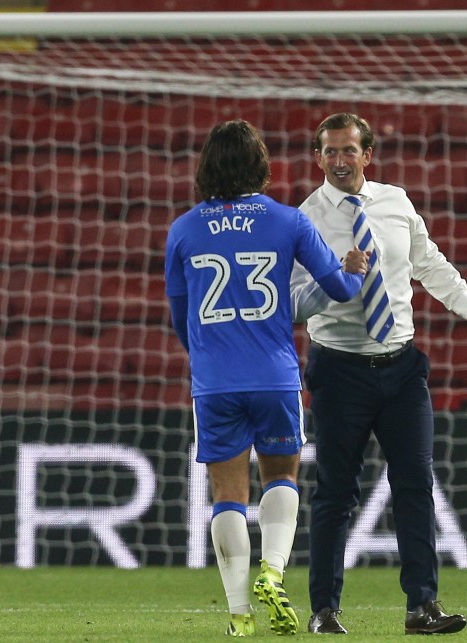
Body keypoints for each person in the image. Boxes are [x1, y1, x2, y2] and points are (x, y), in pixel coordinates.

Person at [290, 113, 467, 635]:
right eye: (330, 151)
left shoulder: (396, 202)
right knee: (335, 492)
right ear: (318, 159)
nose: (339, 160)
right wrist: (338, 274)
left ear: (367, 155)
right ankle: (324, 611)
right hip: (338, 370)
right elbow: (288, 302)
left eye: (349, 150)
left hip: (402, 367)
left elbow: (428, 262)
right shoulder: (303, 219)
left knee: (414, 485)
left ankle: (421, 606)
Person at [164, 120, 369, 637]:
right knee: (282, 477)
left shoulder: (184, 229)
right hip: (275, 377)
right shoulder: (286, 221)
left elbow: (180, 315)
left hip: (215, 382)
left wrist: (209, 357)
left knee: (226, 494)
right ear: (261, 166)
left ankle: (238, 614)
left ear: (207, 166)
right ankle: (273, 572)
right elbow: (339, 291)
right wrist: (355, 269)